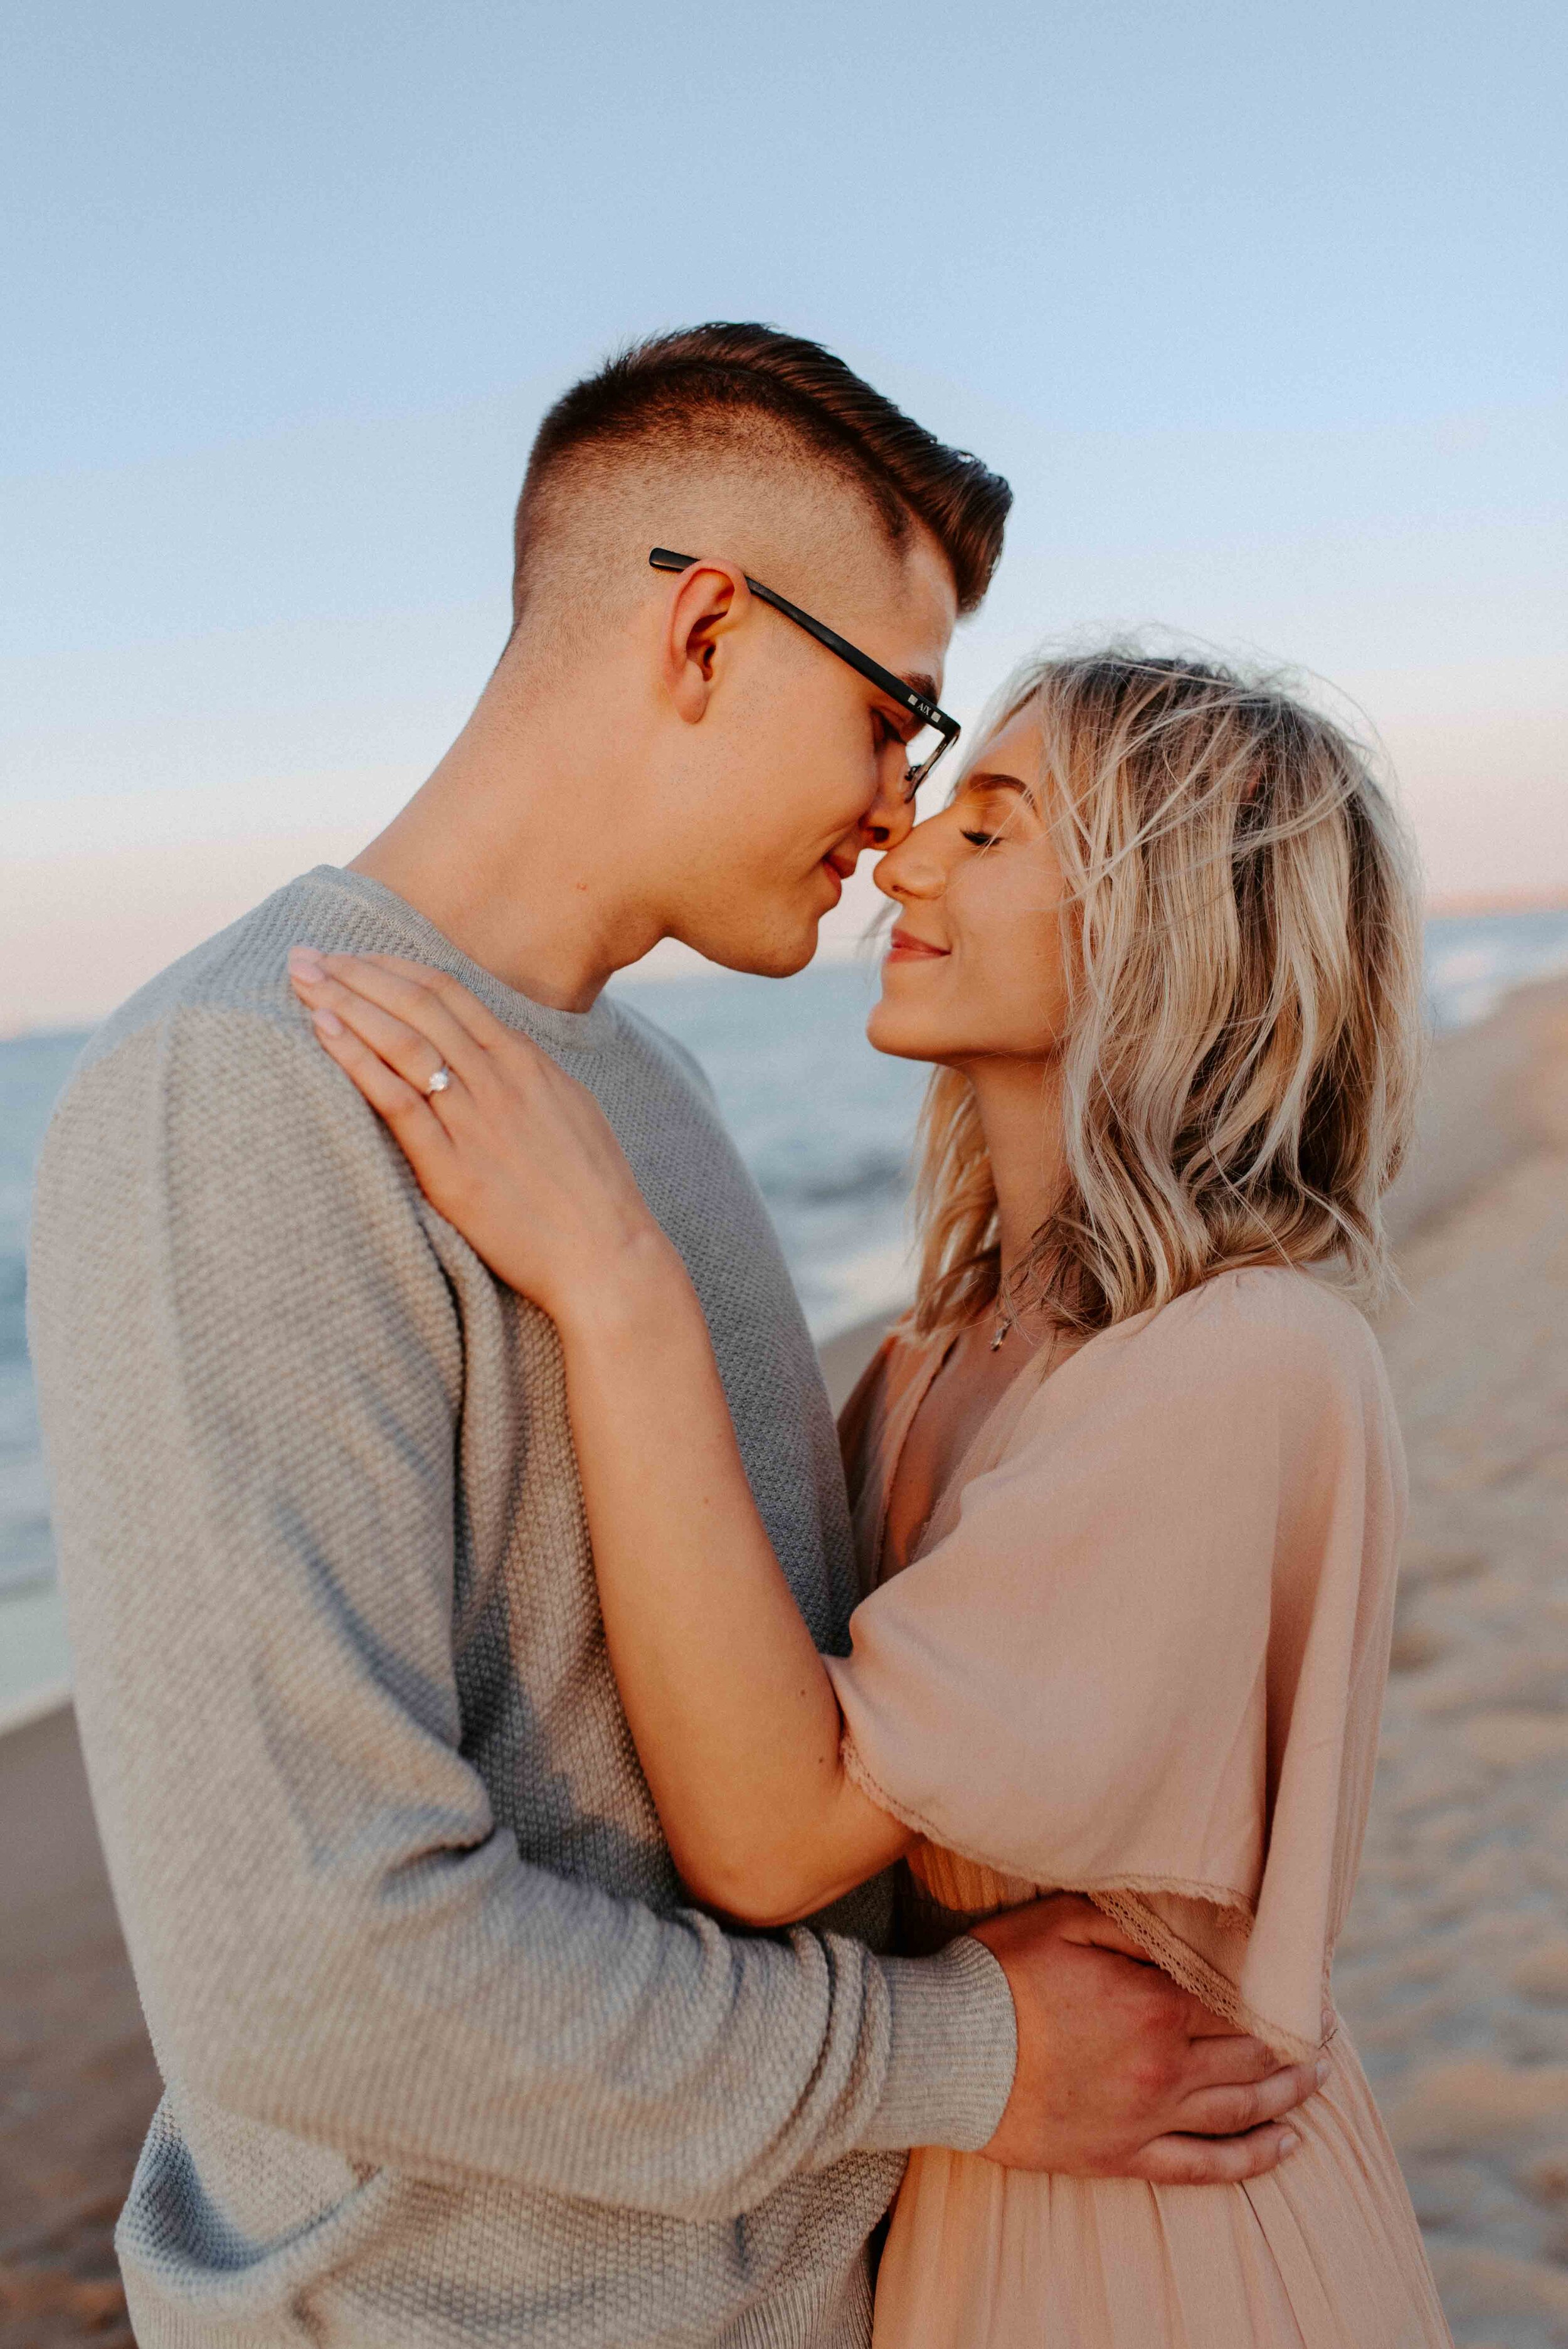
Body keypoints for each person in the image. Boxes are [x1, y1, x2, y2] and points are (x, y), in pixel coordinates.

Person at [28, 331, 1315, 2349]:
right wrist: (960, 2058)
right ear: (707, 630)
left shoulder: (657, 1102)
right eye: (897, 713)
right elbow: (310, 1969)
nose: (899, 811)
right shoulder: (242, 1094)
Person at [294, 648, 1454, 2345]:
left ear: (1173, 919)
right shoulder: (943, 1353)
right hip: (976, 2191)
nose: (899, 853)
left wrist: (613, 1278)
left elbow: (773, 1836)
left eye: (986, 829)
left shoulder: (1248, 1359)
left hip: (1164, 2246)